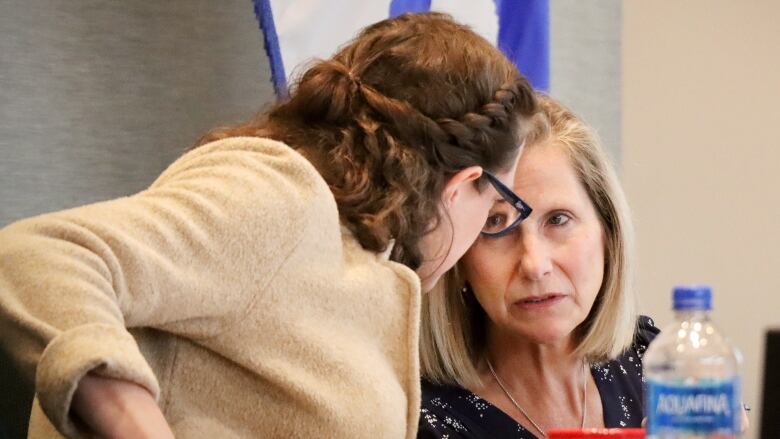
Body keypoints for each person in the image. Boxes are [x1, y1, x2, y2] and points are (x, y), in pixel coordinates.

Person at [0, 13, 537, 439]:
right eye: (495, 213)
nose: (481, 239)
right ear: (462, 183)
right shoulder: (280, 196)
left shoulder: (356, 251)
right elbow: (37, 254)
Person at [417, 94, 654, 438]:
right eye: (496, 224)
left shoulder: (658, 366)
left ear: (609, 234)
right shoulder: (421, 422)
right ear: (459, 258)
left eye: (558, 219)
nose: (534, 265)